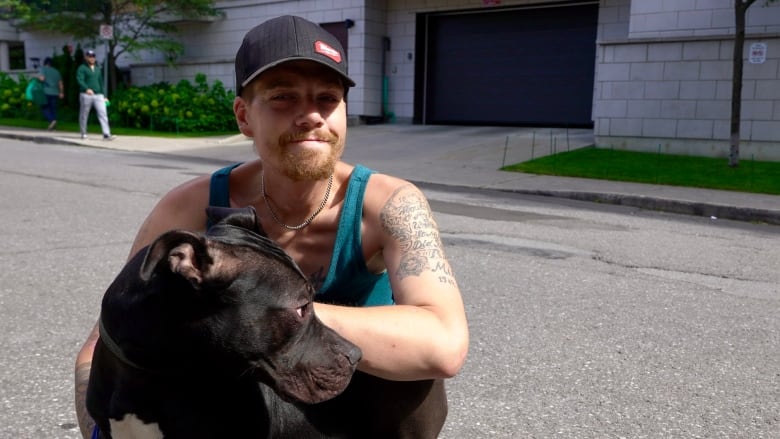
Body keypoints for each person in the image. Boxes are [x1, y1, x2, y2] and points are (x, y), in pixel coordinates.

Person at [74, 15, 469, 438]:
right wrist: (101, 425)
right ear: (244, 116)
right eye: (283, 97)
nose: (311, 116)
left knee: (417, 381)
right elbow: (107, 340)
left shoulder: (389, 204)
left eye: (328, 98)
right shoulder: (193, 205)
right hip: (234, 412)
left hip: (356, 399)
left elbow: (443, 344)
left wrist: (272, 313)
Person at [76, 49, 114, 140]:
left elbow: (101, 83)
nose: (92, 58)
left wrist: (105, 96)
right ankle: (84, 133)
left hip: (98, 94)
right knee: (84, 114)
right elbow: (80, 79)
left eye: (93, 56)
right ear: (86, 57)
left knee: (103, 113)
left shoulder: (97, 69)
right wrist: (86, 88)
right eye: (90, 56)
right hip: (86, 95)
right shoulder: (82, 68)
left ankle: (106, 133)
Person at [37, 57, 64, 131]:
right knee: (53, 109)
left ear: (45, 63)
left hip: (46, 91)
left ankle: (52, 120)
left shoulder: (43, 69)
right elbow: (60, 83)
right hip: (55, 92)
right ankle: (53, 126)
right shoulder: (56, 71)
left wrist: (38, 78)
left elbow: (42, 79)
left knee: (44, 107)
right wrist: (61, 92)